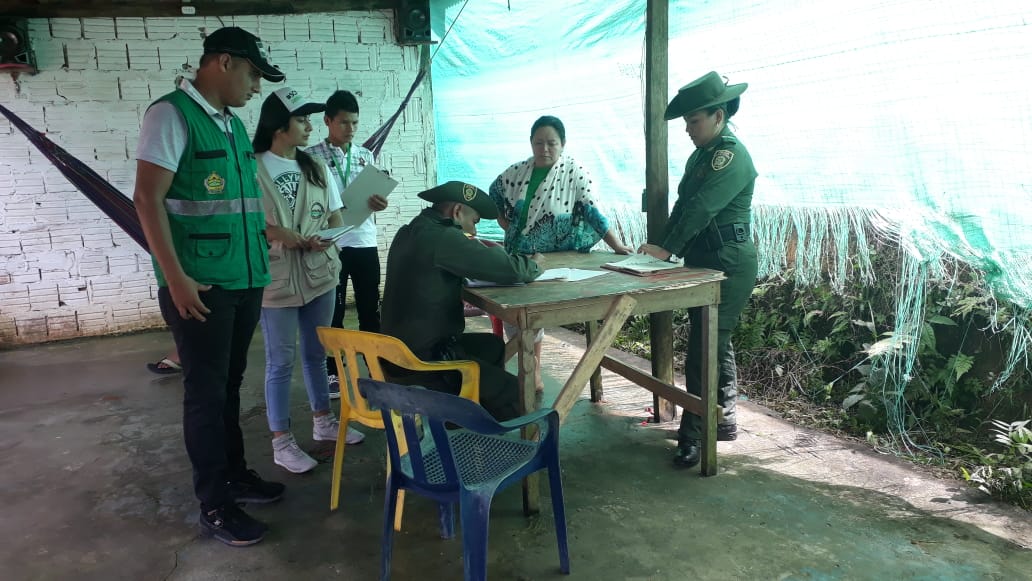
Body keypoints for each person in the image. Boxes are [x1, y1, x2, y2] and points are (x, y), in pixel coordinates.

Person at [133, 26, 286, 547]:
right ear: (224, 62)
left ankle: (234, 475)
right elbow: (146, 200)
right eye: (251, 74)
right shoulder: (171, 115)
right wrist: (175, 280)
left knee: (228, 385)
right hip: (200, 286)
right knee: (204, 393)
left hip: (243, 279)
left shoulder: (232, 127)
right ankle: (213, 504)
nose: (255, 87)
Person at [637, 71, 758, 469]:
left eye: (694, 121)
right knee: (714, 341)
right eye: (687, 122)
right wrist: (661, 250)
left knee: (703, 349)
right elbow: (683, 209)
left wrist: (667, 250)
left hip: (729, 261)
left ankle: (694, 436)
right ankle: (723, 419)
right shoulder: (700, 157)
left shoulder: (731, 156)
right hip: (702, 260)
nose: (688, 129)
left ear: (719, 116)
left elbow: (704, 209)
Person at [252, 87, 367, 475]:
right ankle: (281, 441)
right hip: (276, 280)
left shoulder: (314, 168)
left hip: (320, 275)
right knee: (280, 361)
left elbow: (336, 220)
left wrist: (326, 240)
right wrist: (274, 232)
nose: (308, 126)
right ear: (278, 126)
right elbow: (242, 222)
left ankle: (324, 421)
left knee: (318, 353)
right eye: (301, 120)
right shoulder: (251, 168)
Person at [489, 115, 633, 391]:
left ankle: (534, 374)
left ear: (563, 144)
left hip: (558, 258)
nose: (544, 149)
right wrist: (504, 223)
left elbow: (593, 211)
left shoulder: (575, 171)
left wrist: (615, 245)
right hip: (520, 254)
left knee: (536, 314)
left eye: (551, 143)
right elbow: (493, 194)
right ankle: (529, 369)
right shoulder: (517, 171)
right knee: (516, 315)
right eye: (539, 142)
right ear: (531, 143)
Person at [381, 181, 543, 420]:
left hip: (396, 350)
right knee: (515, 393)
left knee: (492, 346)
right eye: (473, 222)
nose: (474, 231)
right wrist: (535, 264)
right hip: (423, 359)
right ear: (457, 212)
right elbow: (511, 269)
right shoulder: (442, 237)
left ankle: (469, 412)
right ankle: (469, 425)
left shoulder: (410, 230)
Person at [305, 90, 389, 397]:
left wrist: (379, 203)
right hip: (333, 243)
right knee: (333, 312)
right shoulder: (311, 158)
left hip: (365, 240)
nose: (350, 129)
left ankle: (377, 367)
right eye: (343, 123)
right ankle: (333, 373)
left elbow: (373, 196)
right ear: (328, 121)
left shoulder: (365, 156)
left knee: (370, 308)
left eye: (354, 123)